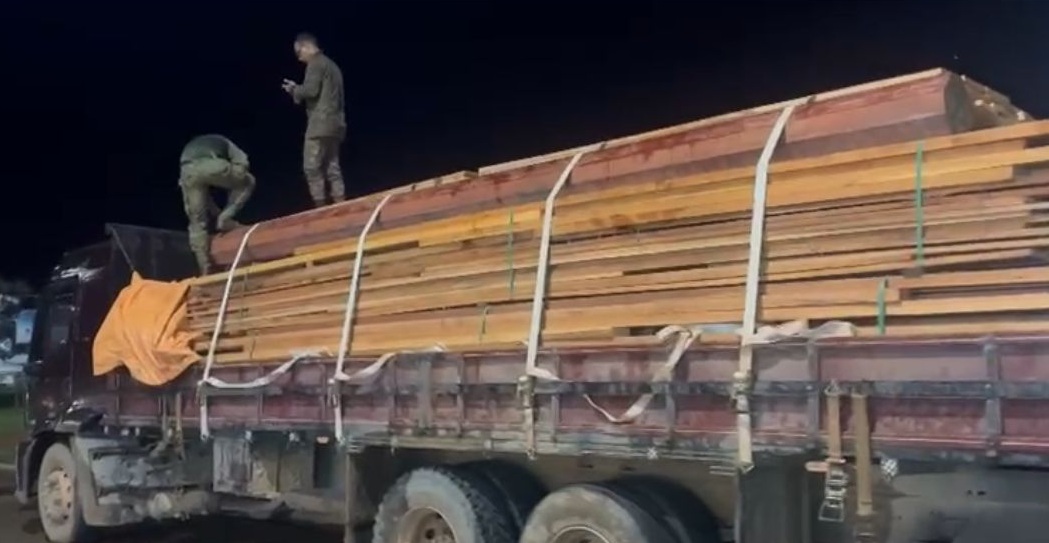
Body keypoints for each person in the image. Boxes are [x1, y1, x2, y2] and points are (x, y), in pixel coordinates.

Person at [282, 32, 347, 208]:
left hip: (320, 123)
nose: (299, 58)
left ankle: (321, 208)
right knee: (332, 166)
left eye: (299, 53)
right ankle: (341, 203)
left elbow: (311, 91)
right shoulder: (332, 66)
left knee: (312, 167)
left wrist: (294, 90)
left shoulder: (315, 64)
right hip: (336, 124)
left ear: (306, 47)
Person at [178, 134, 256, 275]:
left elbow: (206, 202)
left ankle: (204, 266)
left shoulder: (197, 146)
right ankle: (226, 218)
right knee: (248, 181)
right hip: (211, 163)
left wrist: (218, 215)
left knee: (197, 222)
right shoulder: (225, 142)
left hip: (187, 171)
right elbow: (242, 160)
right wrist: (225, 216)